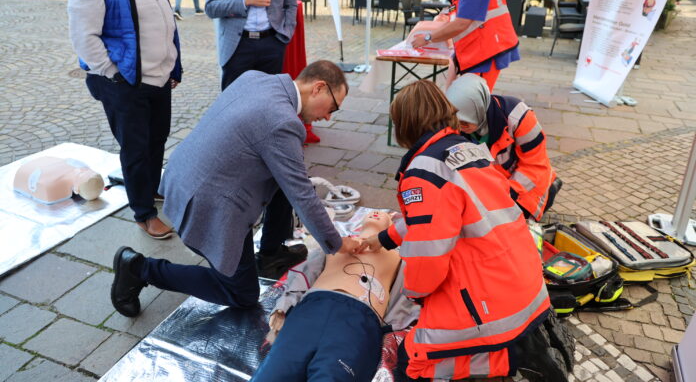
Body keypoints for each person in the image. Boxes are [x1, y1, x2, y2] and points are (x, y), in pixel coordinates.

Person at [110, 61, 362, 318]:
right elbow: (303, 197)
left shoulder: (256, 76)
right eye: (333, 108)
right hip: (205, 205)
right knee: (241, 293)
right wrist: (338, 244)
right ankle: (139, 269)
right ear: (318, 87)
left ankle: (271, 253)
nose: (329, 117)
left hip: (182, 178)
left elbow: (292, 180)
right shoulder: (282, 122)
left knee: (290, 173)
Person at [362, 80, 567, 381]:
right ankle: (515, 348)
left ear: (404, 124)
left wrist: (411, 296)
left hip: (495, 305)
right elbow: (433, 219)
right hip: (525, 285)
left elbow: (426, 263)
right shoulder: (470, 151)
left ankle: (507, 357)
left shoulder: (424, 172)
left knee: (412, 361)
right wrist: (383, 238)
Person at [68, 0, 181, 240]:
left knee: (157, 137)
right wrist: (114, 73)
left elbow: (163, 17)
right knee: (135, 147)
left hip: (156, 77)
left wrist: (172, 65)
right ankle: (143, 212)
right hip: (125, 81)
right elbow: (84, 37)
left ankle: (150, 189)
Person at [205, 0, 299, 275]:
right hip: (238, 47)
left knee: (268, 117)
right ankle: (231, 171)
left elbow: (291, 4)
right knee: (231, 118)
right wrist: (246, 0)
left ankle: (263, 163)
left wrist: (283, 35)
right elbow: (211, 5)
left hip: (270, 46)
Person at [252, 211, 420, 381]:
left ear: (392, 226)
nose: (376, 213)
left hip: (358, 320)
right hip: (311, 309)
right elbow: (307, 273)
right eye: (371, 212)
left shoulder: (400, 256)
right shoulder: (334, 244)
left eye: (385, 215)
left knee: (334, 375)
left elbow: (409, 293)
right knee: (274, 371)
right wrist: (284, 305)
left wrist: (390, 324)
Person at [446, 74, 561, 221]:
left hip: (522, 185)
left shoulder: (519, 116)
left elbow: (535, 167)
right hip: (491, 184)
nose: (459, 127)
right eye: (455, 121)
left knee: (509, 218)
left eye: (465, 122)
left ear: (479, 110)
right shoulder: (452, 125)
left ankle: (552, 187)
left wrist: (507, 197)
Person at [411, 0, 519, 92]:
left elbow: (461, 23)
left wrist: (428, 38)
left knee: (472, 104)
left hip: (486, 50)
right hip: (480, 48)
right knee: (469, 101)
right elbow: (460, 11)